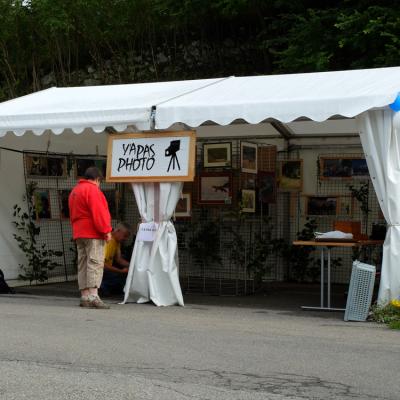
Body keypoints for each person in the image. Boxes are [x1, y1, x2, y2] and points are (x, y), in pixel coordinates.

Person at [69, 166, 112, 309]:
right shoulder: (93, 190)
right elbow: (99, 212)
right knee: (95, 262)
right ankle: (94, 295)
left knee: (82, 263)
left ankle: (85, 296)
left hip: (79, 232)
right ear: (97, 179)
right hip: (93, 233)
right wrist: (106, 230)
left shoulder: (75, 191)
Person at [100, 222, 132, 296]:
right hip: (101, 270)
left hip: (106, 270)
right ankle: (102, 286)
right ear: (118, 231)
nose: (125, 239)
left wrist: (132, 265)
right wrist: (120, 271)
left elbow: (119, 259)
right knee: (120, 277)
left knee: (121, 276)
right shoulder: (109, 241)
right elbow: (101, 264)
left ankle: (106, 287)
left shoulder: (117, 242)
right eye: (125, 236)